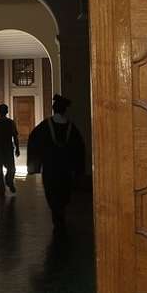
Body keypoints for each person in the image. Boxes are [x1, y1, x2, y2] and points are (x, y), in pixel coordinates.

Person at [27, 94, 85, 233]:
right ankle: (61, 213)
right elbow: (80, 149)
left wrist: (35, 165)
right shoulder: (72, 128)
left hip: (50, 168)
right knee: (64, 192)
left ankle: (57, 216)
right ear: (65, 110)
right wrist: (78, 169)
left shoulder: (44, 126)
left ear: (53, 109)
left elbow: (33, 141)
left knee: (51, 192)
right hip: (66, 169)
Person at [0, 104, 20, 197]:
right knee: (11, 168)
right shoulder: (11, 122)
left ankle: (2, 187)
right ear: (7, 111)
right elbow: (15, 137)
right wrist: (17, 148)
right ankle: (9, 181)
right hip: (8, 148)